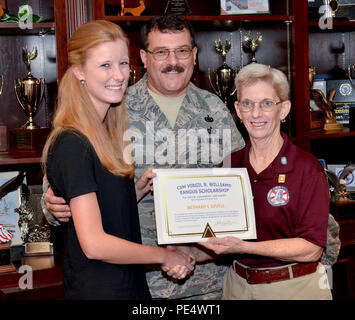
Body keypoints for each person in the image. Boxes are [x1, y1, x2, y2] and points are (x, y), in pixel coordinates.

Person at [43, 14, 245, 300]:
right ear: (144, 57)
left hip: (209, 283)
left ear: (195, 56)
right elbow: (67, 183)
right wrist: (52, 205)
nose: (172, 61)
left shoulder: (217, 109)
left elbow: (243, 186)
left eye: (182, 51)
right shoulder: (114, 107)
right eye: (161, 52)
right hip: (140, 282)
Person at [199, 63, 333, 300]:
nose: (256, 113)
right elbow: (219, 235)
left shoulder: (307, 169)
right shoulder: (229, 165)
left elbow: (312, 249)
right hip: (236, 287)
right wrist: (180, 254)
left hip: (294, 288)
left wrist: (243, 247)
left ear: (284, 110)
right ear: (238, 111)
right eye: (248, 104)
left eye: (267, 104)